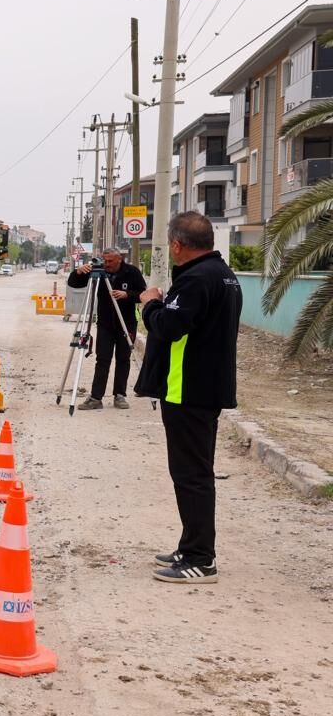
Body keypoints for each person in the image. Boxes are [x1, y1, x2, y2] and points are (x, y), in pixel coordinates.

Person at [135, 212, 242, 584]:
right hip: (203, 386)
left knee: (192, 474)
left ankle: (201, 558)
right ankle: (190, 545)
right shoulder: (224, 275)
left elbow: (168, 327)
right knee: (192, 472)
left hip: (189, 390)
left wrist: (149, 303)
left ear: (178, 245)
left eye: (170, 244)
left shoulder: (197, 279)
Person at [66, 246, 147, 409]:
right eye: (105, 260)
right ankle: (96, 398)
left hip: (127, 323)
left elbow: (143, 294)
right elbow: (73, 283)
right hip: (105, 324)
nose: (107, 264)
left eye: (110, 261)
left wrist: (127, 295)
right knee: (102, 360)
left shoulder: (132, 272)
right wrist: (79, 272)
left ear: (119, 259)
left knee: (123, 359)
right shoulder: (97, 270)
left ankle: (120, 395)